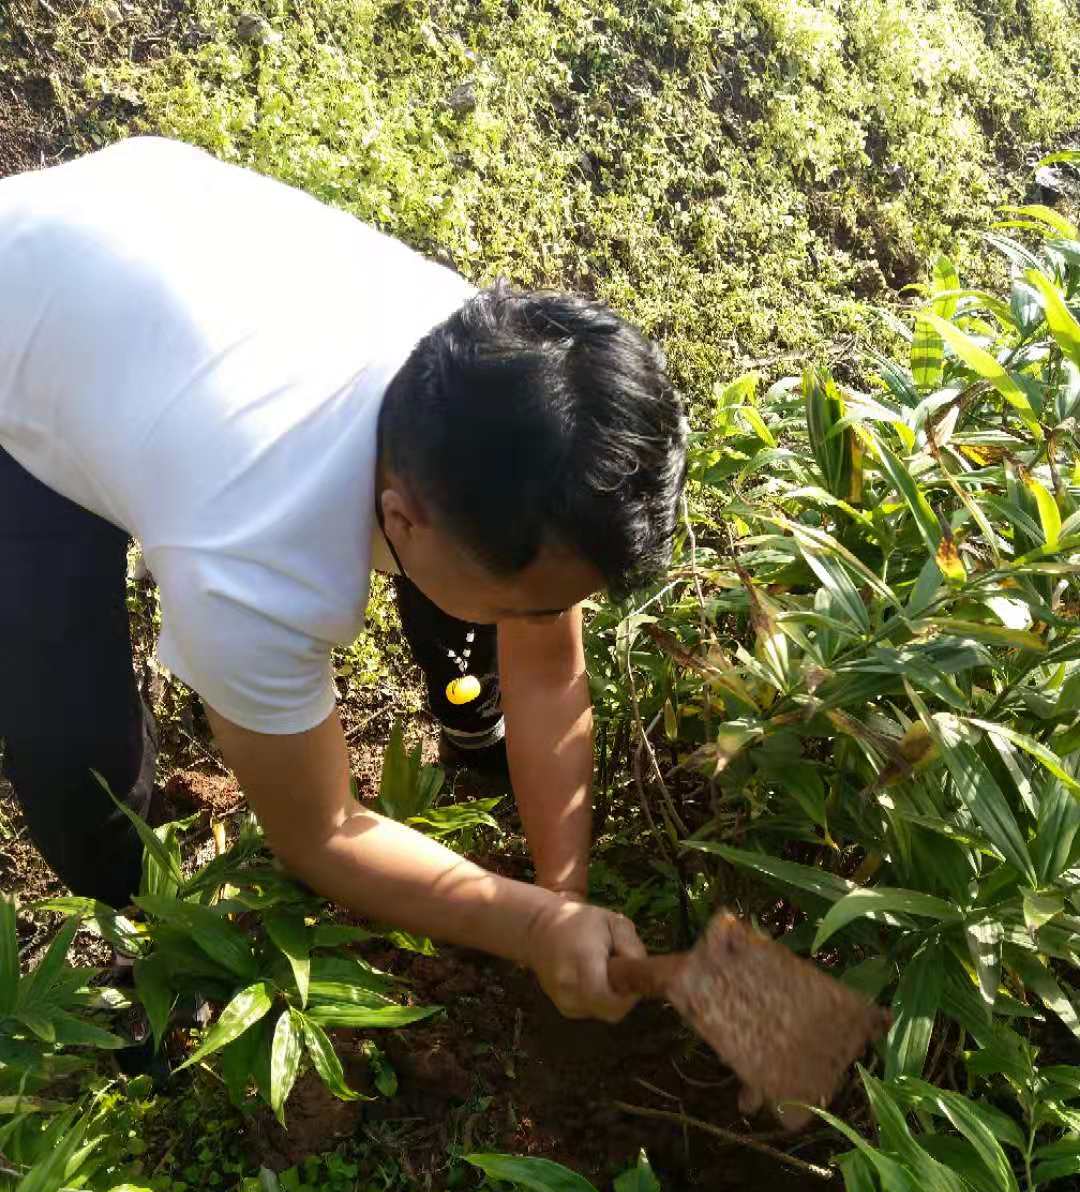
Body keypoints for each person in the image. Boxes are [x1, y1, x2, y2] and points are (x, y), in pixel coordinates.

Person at [0, 137, 688, 1025]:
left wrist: (566, 893)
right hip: (20, 323)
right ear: (400, 520)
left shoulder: (505, 382)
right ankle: (139, 919)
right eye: (545, 606)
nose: (556, 625)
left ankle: (468, 706)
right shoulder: (250, 572)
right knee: (66, 722)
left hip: (156, 235)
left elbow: (549, 667)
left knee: (485, 582)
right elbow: (320, 833)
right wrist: (528, 930)